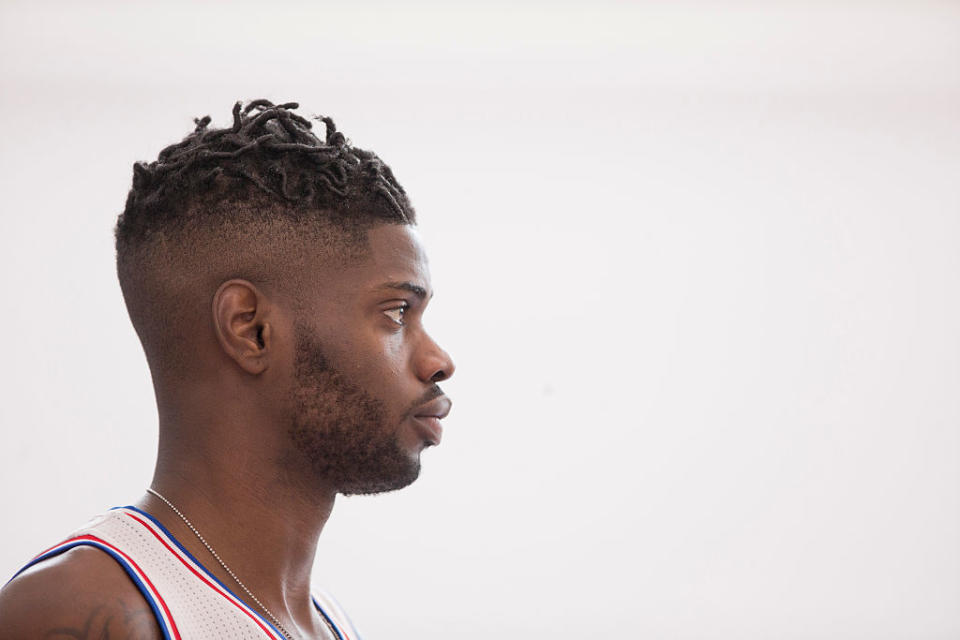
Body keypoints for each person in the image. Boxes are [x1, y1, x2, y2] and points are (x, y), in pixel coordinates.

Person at [0, 99, 455, 639]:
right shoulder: (84, 615)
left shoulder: (330, 623)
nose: (438, 361)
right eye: (397, 313)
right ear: (251, 329)